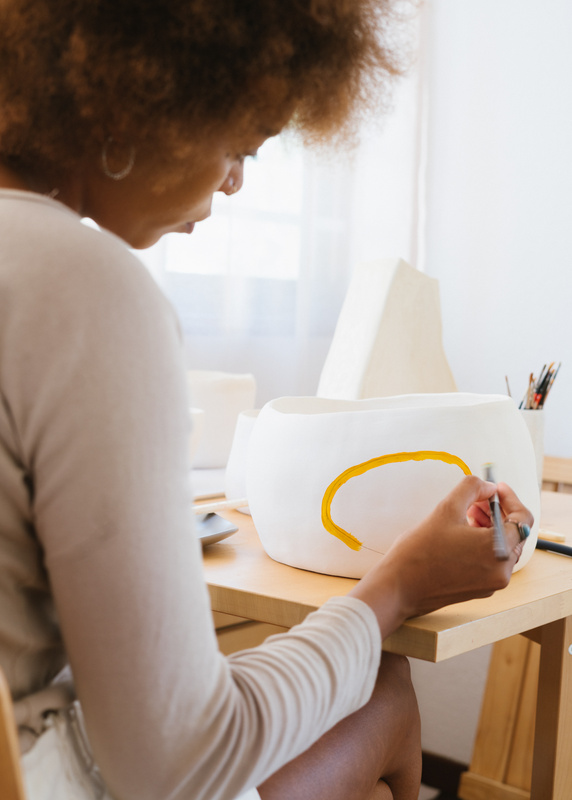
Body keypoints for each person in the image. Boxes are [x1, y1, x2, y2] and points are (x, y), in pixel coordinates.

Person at [0, 2, 532, 799]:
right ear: (139, 94)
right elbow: (182, 765)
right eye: (239, 145)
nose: (235, 181)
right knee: (385, 692)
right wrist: (397, 587)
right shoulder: (84, 291)